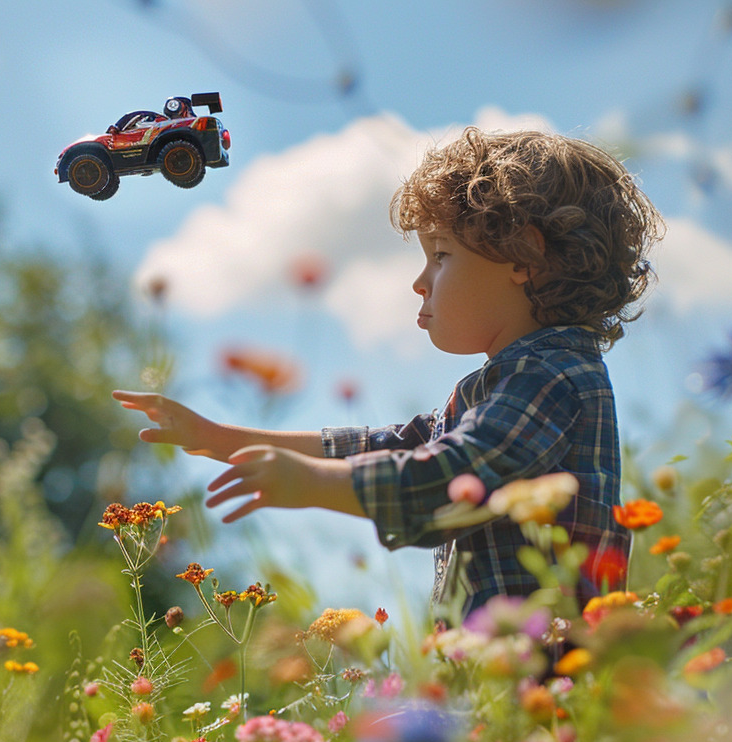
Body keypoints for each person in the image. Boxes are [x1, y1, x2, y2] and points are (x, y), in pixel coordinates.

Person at [114, 126, 664, 618]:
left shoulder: (552, 375)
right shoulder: (510, 380)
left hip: (550, 674)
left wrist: (310, 483)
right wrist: (224, 437)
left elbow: (455, 477)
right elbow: (389, 445)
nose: (420, 282)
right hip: (504, 677)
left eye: (441, 256)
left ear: (524, 257)